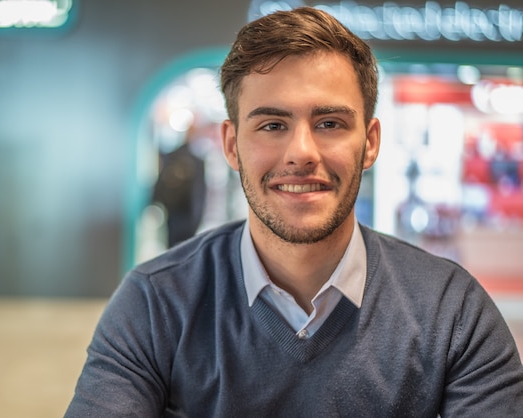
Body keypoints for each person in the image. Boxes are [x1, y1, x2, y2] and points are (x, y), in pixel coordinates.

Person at [66, 7, 523, 417]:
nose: (301, 152)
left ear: (370, 142)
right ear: (231, 144)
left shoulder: (453, 313)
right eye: (272, 125)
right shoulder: (156, 304)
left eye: (329, 123)